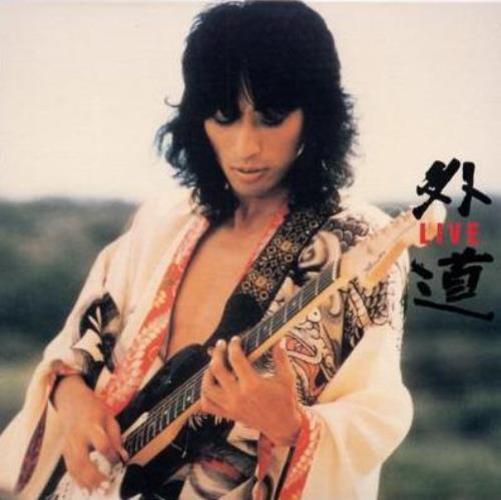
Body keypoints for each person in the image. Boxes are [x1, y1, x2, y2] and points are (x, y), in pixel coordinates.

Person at [0, 1, 412, 498]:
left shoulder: (358, 239)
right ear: (198, 119)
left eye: (271, 118)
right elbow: (76, 345)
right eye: (224, 117)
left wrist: (290, 424)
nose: (246, 147)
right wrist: (72, 402)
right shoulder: (165, 221)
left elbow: (375, 413)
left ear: (316, 115)